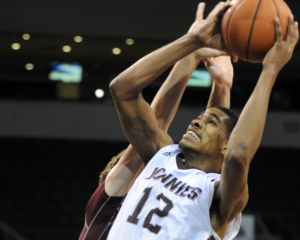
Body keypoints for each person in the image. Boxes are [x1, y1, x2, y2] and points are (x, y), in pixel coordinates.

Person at [107, 1, 299, 239]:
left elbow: (239, 154)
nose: (196, 122)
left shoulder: (216, 195)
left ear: (225, 147)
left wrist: (270, 70)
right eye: (199, 118)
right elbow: (121, 89)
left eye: (211, 122)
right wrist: (193, 42)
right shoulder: (162, 155)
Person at [79, 46, 234, 240]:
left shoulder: (156, 205)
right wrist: (191, 52)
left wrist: (221, 84)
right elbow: (157, 121)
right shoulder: (111, 197)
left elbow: (203, 167)